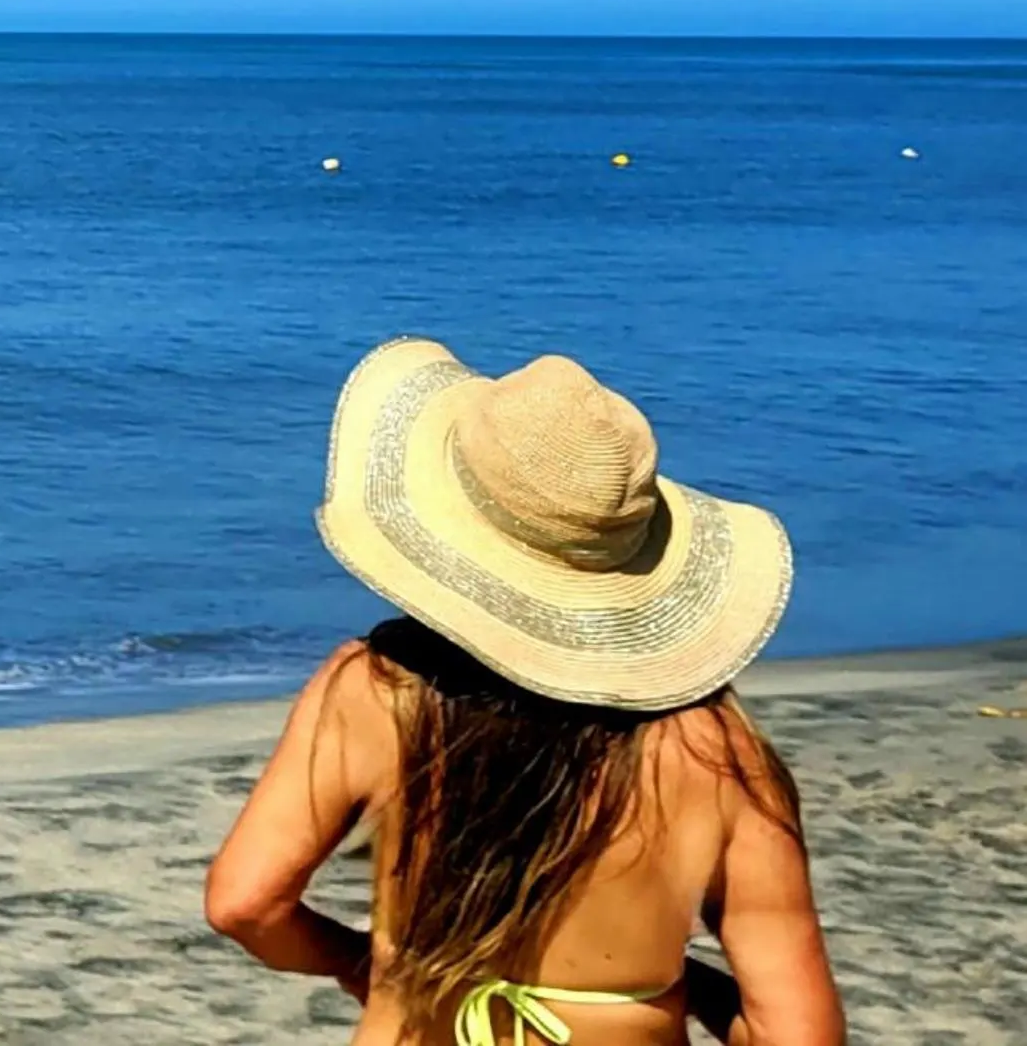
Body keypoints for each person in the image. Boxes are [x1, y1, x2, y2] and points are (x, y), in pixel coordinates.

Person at [205, 338, 845, 1046]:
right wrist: (691, 991)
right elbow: (800, 1034)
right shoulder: (714, 754)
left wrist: (364, 966)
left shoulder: (374, 688)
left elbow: (244, 904)